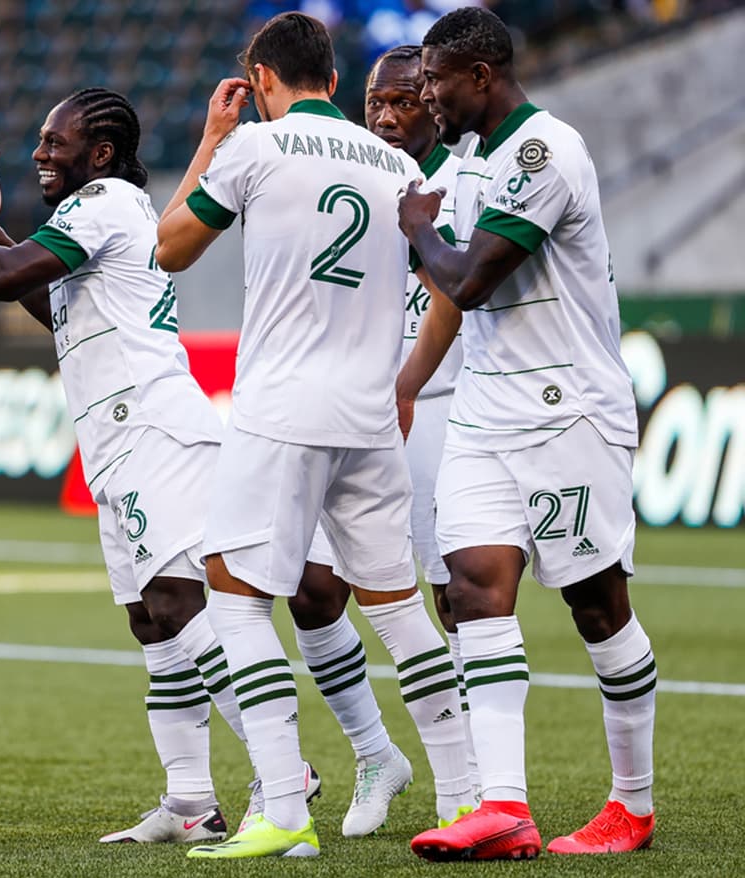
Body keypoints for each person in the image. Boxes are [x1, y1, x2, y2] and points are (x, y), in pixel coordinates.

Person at [0, 87, 321, 845]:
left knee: (178, 605)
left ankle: (285, 770)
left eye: (54, 140)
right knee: (151, 622)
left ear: (99, 154)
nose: (41, 151)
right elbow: (45, 303)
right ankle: (191, 802)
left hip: (153, 430)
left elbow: (2, 279)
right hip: (117, 438)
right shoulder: (104, 210)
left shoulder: (100, 202)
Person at [155, 12, 430, 859]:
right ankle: (466, 797)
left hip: (279, 410)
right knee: (401, 610)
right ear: (339, 84)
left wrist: (211, 139)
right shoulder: (400, 163)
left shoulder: (255, 149)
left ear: (263, 82)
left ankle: (283, 807)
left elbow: (168, 249)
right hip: (375, 411)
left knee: (234, 596)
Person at [400, 7, 655, 861]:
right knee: (472, 588)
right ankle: (503, 807)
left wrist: (418, 230)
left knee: (596, 605)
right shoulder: (472, 161)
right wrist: (407, 385)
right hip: (485, 408)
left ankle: (633, 804)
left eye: (435, 78)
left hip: (568, 411)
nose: (427, 94)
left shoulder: (546, 152)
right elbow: (456, 300)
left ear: (481, 73)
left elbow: (467, 280)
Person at [292, 42, 478, 838]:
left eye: (405, 100)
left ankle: (476, 781)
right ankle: (376, 753)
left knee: (456, 599)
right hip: (355, 417)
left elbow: (461, 291)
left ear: (435, 102)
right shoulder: (355, 176)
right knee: (309, 589)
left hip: (437, 408)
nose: (387, 115)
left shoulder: (458, 188)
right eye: (376, 101)